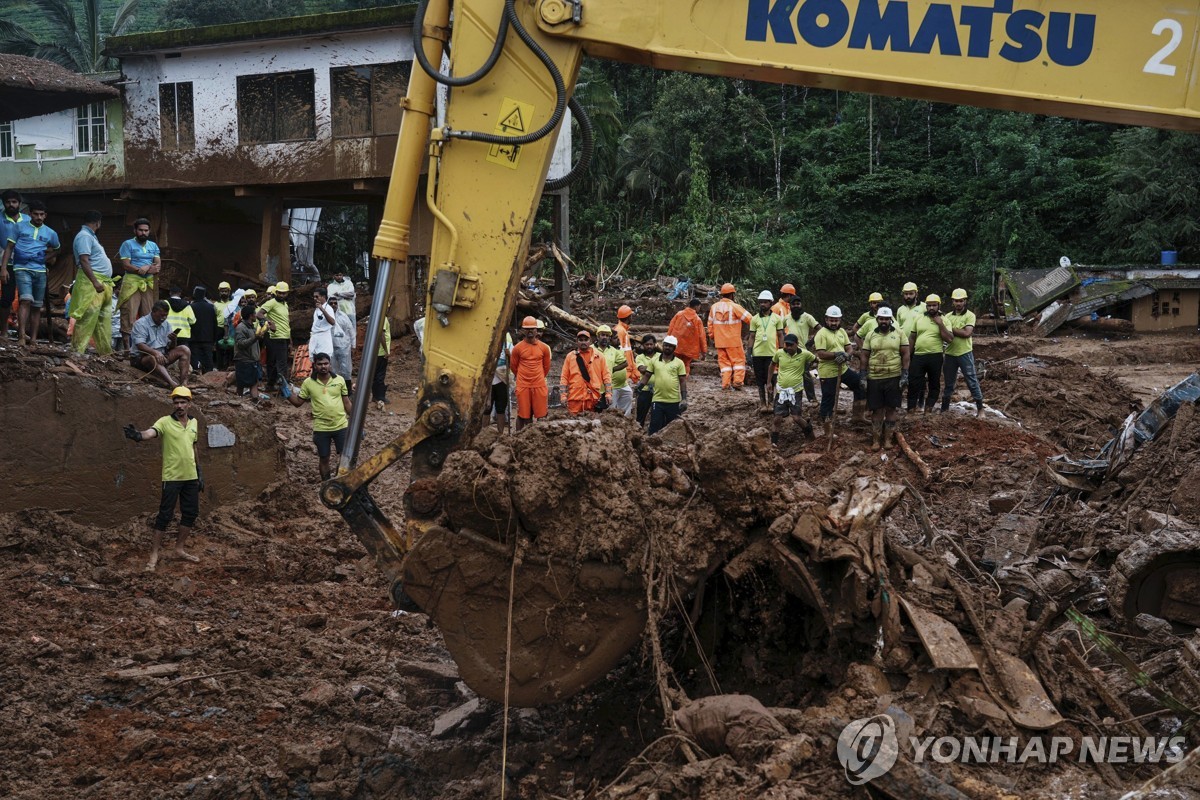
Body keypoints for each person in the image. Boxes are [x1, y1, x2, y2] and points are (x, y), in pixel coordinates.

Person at [123, 386, 203, 572]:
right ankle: (154, 554)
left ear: (189, 404)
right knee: (165, 516)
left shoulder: (194, 423)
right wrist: (138, 436)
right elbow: (151, 432)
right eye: (176, 402)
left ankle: (179, 548)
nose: (179, 405)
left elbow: (194, 447)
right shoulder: (165, 422)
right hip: (172, 477)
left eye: (183, 402)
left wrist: (200, 472)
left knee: (190, 513)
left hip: (191, 477)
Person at [3, 199, 59, 346]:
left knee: (37, 306)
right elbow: (9, 247)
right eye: (35, 214)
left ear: (45, 215)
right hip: (21, 268)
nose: (39, 217)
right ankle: (22, 336)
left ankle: (33, 339)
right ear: (30, 214)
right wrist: (3, 268)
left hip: (40, 271)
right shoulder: (19, 227)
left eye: (41, 214)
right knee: (26, 300)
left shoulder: (50, 233)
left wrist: (45, 258)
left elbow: (58, 249)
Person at [287, 351, 351, 480]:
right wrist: (286, 392)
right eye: (320, 364)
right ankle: (326, 485)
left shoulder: (339, 380)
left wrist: (357, 424)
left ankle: (342, 482)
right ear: (314, 365)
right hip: (321, 428)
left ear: (330, 365)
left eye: (326, 363)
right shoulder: (308, 383)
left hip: (341, 425)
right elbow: (298, 403)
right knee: (324, 457)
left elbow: (347, 403)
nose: (323, 366)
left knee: (345, 457)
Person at [814, 305, 867, 439]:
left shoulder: (842, 332)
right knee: (828, 399)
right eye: (831, 320)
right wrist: (835, 354)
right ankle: (827, 428)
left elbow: (849, 348)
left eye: (836, 320)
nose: (834, 323)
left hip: (842, 369)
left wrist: (847, 355)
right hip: (828, 372)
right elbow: (820, 353)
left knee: (860, 384)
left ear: (840, 320)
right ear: (826, 319)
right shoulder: (821, 334)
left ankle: (858, 415)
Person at [861, 307, 910, 449]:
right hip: (875, 377)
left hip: (893, 376)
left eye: (887, 319)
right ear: (877, 320)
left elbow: (905, 354)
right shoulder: (870, 335)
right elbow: (865, 355)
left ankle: (888, 439)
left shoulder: (900, 334)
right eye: (881, 319)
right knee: (876, 409)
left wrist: (905, 374)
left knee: (891, 408)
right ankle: (876, 440)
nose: (884, 321)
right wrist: (863, 375)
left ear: (891, 320)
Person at [69, 210, 116, 355]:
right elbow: (84, 260)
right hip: (92, 283)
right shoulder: (84, 236)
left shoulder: (90, 236)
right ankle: (77, 351)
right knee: (88, 317)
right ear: (98, 223)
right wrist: (95, 282)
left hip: (102, 282)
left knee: (102, 320)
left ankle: (105, 353)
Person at [117, 218, 162, 352]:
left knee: (149, 315)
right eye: (141, 230)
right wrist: (139, 270)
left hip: (149, 283)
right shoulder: (127, 244)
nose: (143, 233)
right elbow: (126, 265)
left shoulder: (153, 246)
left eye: (146, 230)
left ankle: (147, 349)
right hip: (132, 282)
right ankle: (127, 350)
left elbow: (158, 264)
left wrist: (147, 267)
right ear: (135, 230)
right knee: (128, 314)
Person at [941, 288, 985, 418]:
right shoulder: (948, 316)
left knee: (972, 381)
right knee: (948, 383)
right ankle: (944, 409)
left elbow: (967, 333)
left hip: (964, 353)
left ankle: (980, 409)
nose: (958, 303)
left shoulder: (970, 315)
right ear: (953, 302)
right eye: (956, 301)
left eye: (961, 301)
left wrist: (949, 329)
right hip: (950, 354)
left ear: (965, 301)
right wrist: (947, 329)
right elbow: (943, 334)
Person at [131, 300, 191, 388]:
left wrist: (173, 340)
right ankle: (172, 384)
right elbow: (140, 345)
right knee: (153, 357)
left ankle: (183, 383)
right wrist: (155, 352)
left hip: (162, 357)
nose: (163, 318)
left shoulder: (166, 325)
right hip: (141, 359)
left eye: (166, 315)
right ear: (153, 312)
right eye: (161, 315)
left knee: (185, 349)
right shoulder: (141, 323)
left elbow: (171, 348)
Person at [636, 335, 688, 435]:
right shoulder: (654, 361)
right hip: (657, 400)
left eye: (670, 346)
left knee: (671, 428)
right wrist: (640, 387)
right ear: (662, 346)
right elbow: (647, 376)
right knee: (654, 427)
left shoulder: (679, 363)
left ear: (674, 348)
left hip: (673, 400)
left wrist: (684, 398)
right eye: (666, 345)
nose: (668, 348)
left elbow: (682, 381)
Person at [771, 333, 817, 444]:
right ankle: (774, 444)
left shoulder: (805, 354)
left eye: (791, 345)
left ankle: (810, 437)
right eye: (787, 345)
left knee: (796, 417)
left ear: (797, 345)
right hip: (781, 390)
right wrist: (769, 382)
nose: (789, 347)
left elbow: (817, 360)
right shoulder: (779, 353)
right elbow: (771, 365)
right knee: (777, 418)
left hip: (796, 391)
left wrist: (812, 371)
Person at [509, 316, 551, 430]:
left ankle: (541, 438)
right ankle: (519, 438)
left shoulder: (544, 348)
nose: (530, 331)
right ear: (523, 331)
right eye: (527, 329)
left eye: (532, 328)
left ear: (537, 330)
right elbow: (513, 366)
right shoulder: (517, 348)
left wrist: (538, 377)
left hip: (539, 384)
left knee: (541, 415)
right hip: (523, 385)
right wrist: (523, 377)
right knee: (523, 415)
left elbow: (546, 367)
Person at [707, 283, 752, 389]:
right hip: (734, 341)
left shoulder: (714, 307)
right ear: (732, 295)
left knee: (724, 364)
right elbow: (750, 319)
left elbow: (710, 324)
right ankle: (737, 382)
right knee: (739, 362)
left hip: (720, 342)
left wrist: (713, 337)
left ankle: (725, 384)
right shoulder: (735, 307)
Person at [908, 293, 946, 414]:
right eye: (929, 305)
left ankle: (928, 410)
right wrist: (909, 355)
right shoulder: (919, 318)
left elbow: (949, 338)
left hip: (936, 355)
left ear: (938, 306)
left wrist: (940, 324)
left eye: (934, 305)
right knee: (914, 383)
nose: (931, 308)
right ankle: (911, 410)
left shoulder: (944, 320)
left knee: (934, 384)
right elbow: (912, 337)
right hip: (918, 356)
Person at [559, 329, 612, 414]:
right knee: (574, 424)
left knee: (592, 424)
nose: (583, 342)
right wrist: (563, 396)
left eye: (586, 340)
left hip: (593, 399)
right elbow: (564, 377)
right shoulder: (570, 357)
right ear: (577, 341)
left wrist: (608, 394)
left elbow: (607, 377)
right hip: (575, 399)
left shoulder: (599, 356)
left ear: (590, 341)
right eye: (581, 340)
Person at [780, 296, 821, 401]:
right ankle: (789, 398)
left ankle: (812, 399)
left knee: (806, 376)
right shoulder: (787, 318)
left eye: (798, 304)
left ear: (801, 305)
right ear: (790, 306)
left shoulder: (807, 317)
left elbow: (819, 329)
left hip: (803, 352)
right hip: (789, 351)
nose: (796, 306)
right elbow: (779, 329)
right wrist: (784, 338)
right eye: (794, 304)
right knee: (789, 375)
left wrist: (811, 341)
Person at [749, 289, 784, 412]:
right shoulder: (754, 319)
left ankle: (771, 403)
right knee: (759, 379)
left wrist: (781, 350)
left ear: (770, 303)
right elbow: (752, 336)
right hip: (757, 354)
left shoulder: (777, 318)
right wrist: (749, 352)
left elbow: (780, 335)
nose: (762, 304)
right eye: (761, 302)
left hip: (771, 354)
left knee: (772, 379)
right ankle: (762, 403)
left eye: (765, 302)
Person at [0, 189, 29, 331]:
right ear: (4, 204)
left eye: (14, 202)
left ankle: (22, 333)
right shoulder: (0, 219)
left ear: (19, 203)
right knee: (7, 298)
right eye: (8, 202)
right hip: (6, 264)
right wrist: (3, 267)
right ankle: (4, 331)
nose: (11, 205)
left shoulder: (28, 220)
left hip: (27, 264)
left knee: (26, 299)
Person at [260, 281, 291, 390]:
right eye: (280, 293)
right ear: (276, 292)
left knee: (273, 363)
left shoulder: (285, 305)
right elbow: (259, 314)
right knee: (281, 364)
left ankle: (270, 385)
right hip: (276, 337)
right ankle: (284, 390)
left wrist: (290, 339)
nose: (282, 295)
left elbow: (286, 322)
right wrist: (269, 322)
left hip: (284, 336)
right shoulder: (271, 303)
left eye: (284, 293)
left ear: (287, 293)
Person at [596, 324, 631, 416]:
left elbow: (625, 363)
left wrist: (612, 370)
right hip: (594, 389)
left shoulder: (613, 351)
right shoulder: (591, 349)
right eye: (603, 335)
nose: (605, 337)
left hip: (608, 389)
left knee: (607, 413)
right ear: (598, 336)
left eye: (607, 336)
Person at [666, 297, 707, 374]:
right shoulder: (697, 320)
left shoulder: (679, 314)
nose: (699, 309)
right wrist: (704, 352)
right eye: (699, 307)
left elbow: (670, 328)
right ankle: (683, 380)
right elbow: (702, 336)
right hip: (689, 348)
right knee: (686, 364)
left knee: (674, 362)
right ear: (696, 306)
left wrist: (667, 342)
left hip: (676, 345)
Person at [233, 301, 264, 401]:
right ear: (251, 316)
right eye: (255, 314)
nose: (256, 315)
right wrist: (255, 338)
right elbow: (241, 344)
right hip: (244, 361)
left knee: (254, 383)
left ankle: (255, 401)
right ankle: (238, 401)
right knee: (241, 384)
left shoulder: (251, 327)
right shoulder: (241, 328)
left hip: (252, 361)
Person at [486, 328, 513, 430]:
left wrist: (509, 356)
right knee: (486, 409)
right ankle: (484, 433)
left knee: (500, 408)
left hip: (502, 380)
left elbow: (513, 364)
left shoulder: (508, 344)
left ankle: (500, 434)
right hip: (488, 381)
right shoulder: (488, 343)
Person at [189, 287, 218, 373]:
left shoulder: (191, 307)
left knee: (195, 358)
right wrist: (214, 339)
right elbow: (214, 324)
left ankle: (196, 374)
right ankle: (209, 375)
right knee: (208, 358)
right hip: (208, 338)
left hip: (194, 338)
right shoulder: (210, 307)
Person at [614, 304, 641, 388]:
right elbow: (619, 352)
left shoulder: (622, 330)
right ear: (628, 317)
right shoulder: (620, 331)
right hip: (624, 371)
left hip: (627, 370)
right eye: (631, 316)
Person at [635, 334, 658, 428]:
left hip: (658, 391)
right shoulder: (640, 357)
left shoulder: (660, 356)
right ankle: (638, 433)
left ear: (655, 345)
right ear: (643, 345)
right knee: (640, 416)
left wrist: (648, 368)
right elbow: (642, 369)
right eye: (647, 344)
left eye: (651, 344)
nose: (649, 346)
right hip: (644, 390)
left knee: (656, 415)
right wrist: (656, 367)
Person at [309, 287, 337, 362]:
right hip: (315, 337)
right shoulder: (317, 308)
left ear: (323, 297)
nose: (315, 298)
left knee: (324, 362)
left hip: (324, 339)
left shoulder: (328, 308)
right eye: (314, 296)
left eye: (317, 296)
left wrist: (322, 309)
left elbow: (332, 322)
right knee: (314, 362)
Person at [165, 286, 196, 356]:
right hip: (184, 335)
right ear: (180, 293)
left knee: (168, 356)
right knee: (184, 355)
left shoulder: (165, 303)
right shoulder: (187, 305)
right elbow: (192, 321)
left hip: (168, 334)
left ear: (170, 293)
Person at [332, 302, 356, 389]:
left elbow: (351, 331)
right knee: (334, 370)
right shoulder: (325, 316)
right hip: (331, 347)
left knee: (346, 369)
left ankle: (348, 390)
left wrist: (353, 345)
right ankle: (336, 390)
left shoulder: (343, 316)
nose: (333, 305)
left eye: (335, 303)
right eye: (331, 303)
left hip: (344, 347)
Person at [372, 315, 392, 411]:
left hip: (375, 351)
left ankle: (375, 396)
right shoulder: (382, 318)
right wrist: (386, 350)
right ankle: (380, 397)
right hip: (380, 352)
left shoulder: (376, 316)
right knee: (380, 375)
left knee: (375, 374)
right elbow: (381, 335)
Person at [213, 282, 235, 369]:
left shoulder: (233, 303)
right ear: (219, 292)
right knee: (219, 349)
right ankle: (220, 367)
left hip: (230, 329)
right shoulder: (215, 304)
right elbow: (214, 317)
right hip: (219, 328)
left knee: (231, 348)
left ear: (229, 292)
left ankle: (229, 366)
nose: (224, 293)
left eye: (225, 291)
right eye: (222, 291)